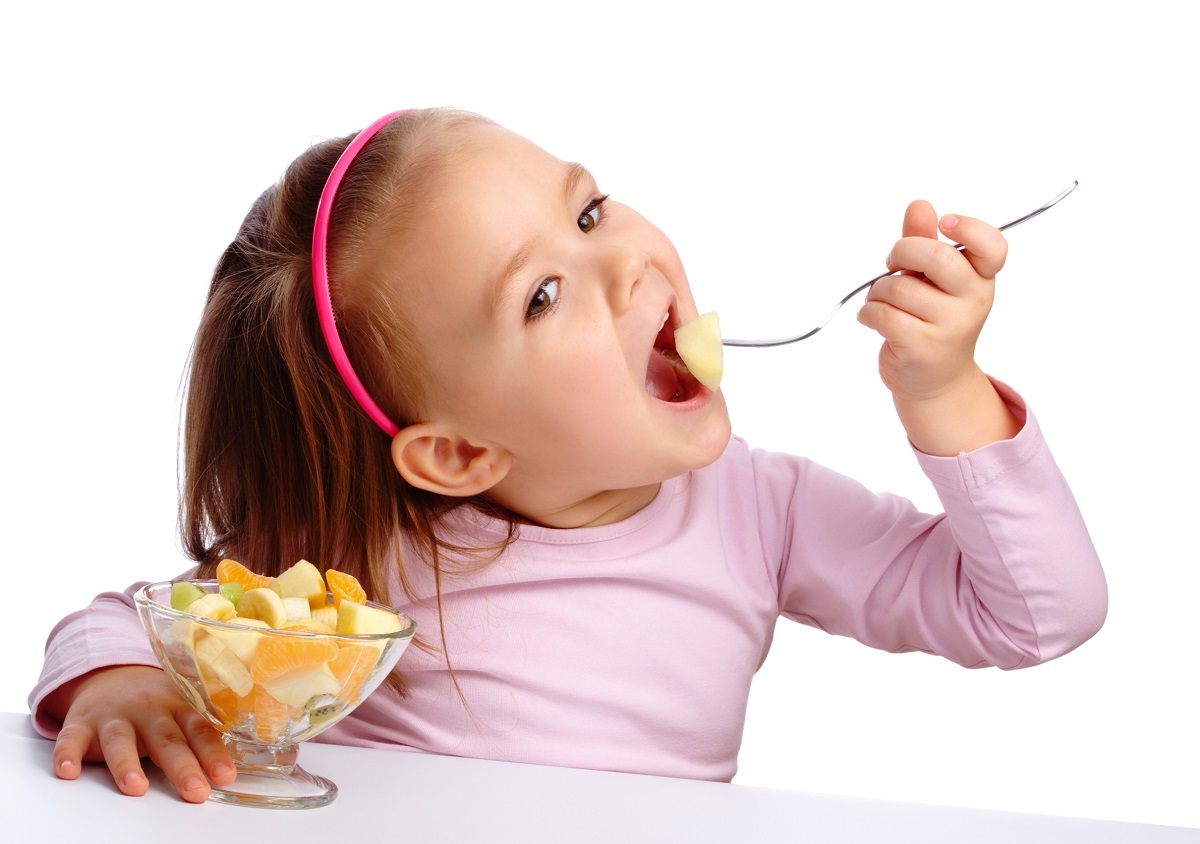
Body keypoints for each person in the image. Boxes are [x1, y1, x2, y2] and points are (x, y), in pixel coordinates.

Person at [29, 108, 1108, 804]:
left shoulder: (760, 510)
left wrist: (947, 391)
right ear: (454, 454)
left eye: (589, 211)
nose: (627, 266)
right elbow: (135, 616)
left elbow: (1035, 612)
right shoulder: (356, 557)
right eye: (542, 295)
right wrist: (120, 678)